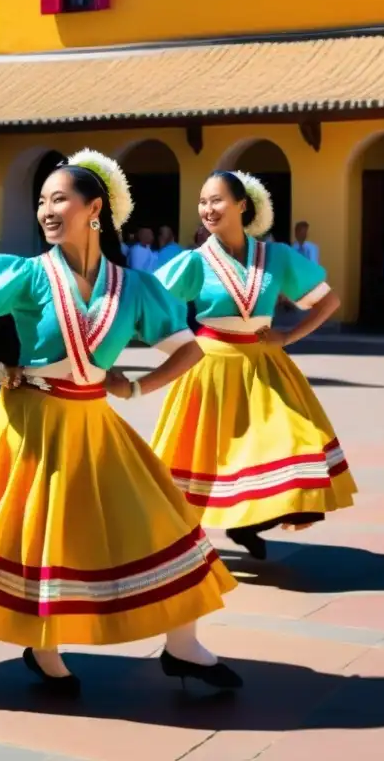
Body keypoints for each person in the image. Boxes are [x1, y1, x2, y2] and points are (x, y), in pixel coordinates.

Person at [0, 149, 241, 694]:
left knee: (166, 521)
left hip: (94, 420)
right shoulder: (25, 273)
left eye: (59, 198)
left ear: (95, 209)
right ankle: (46, 651)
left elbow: (188, 350)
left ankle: (182, 646)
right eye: (41, 201)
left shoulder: (134, 287)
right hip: (33, 422)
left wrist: (134, 386)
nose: (46, 211)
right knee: (44, 536)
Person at [151, 171, 356, 561]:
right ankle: (233, 526)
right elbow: (147, 305)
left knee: (298, 446)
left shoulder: (276, 257)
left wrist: (287, 336)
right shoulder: (195, 262)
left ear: (243, 205)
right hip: (211, 367)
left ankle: (246, 523)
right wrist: (177, 347)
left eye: (217, 200)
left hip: (265, 364)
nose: (207, 209)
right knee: (211, 458)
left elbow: (328, 302)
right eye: (203, 202)